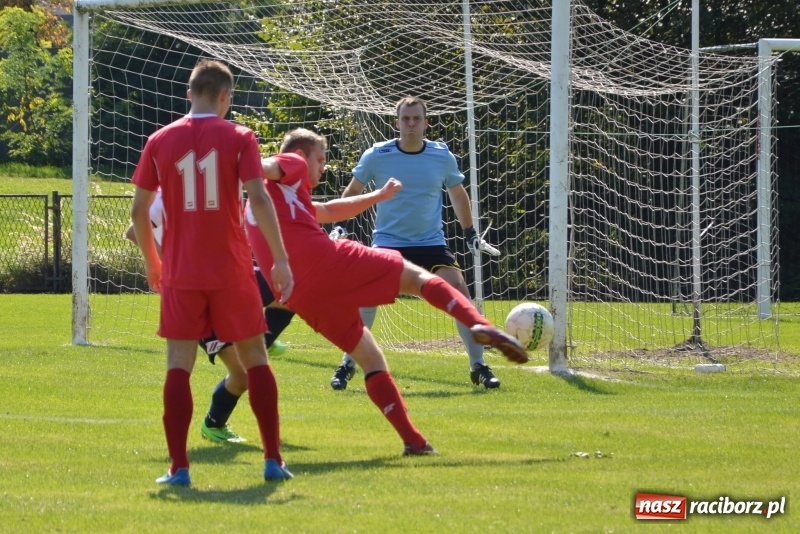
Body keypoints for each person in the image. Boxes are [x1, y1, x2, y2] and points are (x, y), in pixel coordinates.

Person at [245, 128, 528, 456]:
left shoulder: (273, 200)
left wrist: (377, 197)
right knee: (417, 278)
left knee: (370, 358)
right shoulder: (292, 162)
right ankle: (479, 323)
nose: (323, 167)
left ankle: (414, 442)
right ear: (300, 155)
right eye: (319, 159)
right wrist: (242, 163)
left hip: (300, 295)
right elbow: (266, 165)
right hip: (324, 262)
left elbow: (330, 210)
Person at [130, 58, 295, 486]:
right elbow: (260, 198)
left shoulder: (159, 139)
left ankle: (179, 468)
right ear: (225, 96)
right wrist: (280, 259)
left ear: (189, 94)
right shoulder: (240, 136)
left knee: (178, 365)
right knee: (255, 359)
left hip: (181, 272)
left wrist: (152, 262)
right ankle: (273, 460)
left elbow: (138, 212)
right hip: (232, 270)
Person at [329, 95, 504, 391]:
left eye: (416, 119)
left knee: (459, 291)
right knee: (366, 295)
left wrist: (470, 233)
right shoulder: (377, 154)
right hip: (388, 243)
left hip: (430, 244)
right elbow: (354, 189)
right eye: (406, 119)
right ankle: (347, 363)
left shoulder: (441, 155)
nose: (411, 124)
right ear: (397, 123)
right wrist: (340, 224)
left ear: (426, 123)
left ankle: (479, 365)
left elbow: (457, 194)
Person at [124, 190, 296, 445]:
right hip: (198, 294)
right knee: (243, 376)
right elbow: (133, 231)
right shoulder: (171, 190)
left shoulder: (213, 184)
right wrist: (164, 264)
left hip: (229, 278)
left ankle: (260, 341)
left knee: (290, 294)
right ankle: (214, 424)